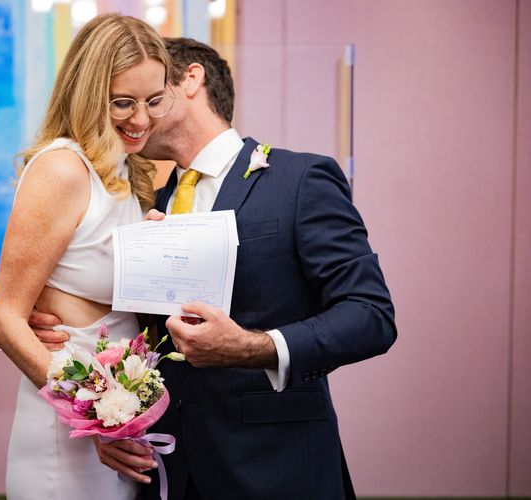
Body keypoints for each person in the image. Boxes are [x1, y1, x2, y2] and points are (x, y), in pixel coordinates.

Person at [34, 37, 397, 499]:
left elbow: (371, 315)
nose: (126, 116)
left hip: (277, 472)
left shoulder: (300, 179)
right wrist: (58, 323)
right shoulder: (147, 207)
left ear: (190, 79)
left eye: (148, 94)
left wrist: (252, 347)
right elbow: (136, 334)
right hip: (167, 475)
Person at [0, 14, 175, 500]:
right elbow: (4, 319)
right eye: (122, 103)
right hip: (69, 432)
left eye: (154, 100)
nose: (141, 119)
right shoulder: (63, 169)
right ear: (89, 95)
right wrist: (97, 424)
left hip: (114, 426)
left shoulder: (123, 173)